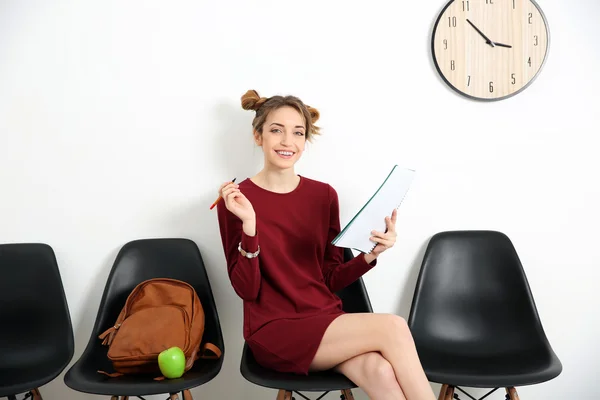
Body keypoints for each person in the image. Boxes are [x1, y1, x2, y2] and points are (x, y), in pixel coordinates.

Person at [216, 89, 436, 400]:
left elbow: (329, 278)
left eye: (297, 133)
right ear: (258, 136)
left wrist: (369, 255)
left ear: (305, 142)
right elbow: (246, 290)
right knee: (394, 327)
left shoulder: (324, 196)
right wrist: (250, 226)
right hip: (273, 329)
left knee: (380, 371)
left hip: (324, 317)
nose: (287, 141)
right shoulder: (235, 200)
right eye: (276, 130)